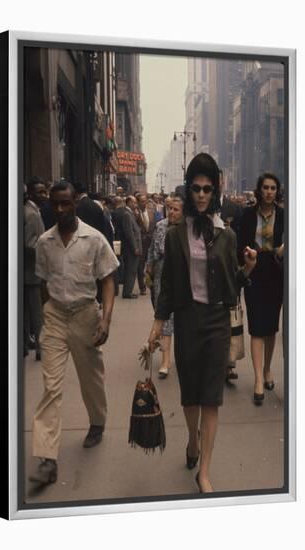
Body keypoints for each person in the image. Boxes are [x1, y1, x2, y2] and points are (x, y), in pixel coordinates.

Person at [147, 153, 257, 493]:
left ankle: (204, 471)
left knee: (211, 397)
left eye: (208, 188)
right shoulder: (177, 233)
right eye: (196, 188)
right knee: (189, 396)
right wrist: (156, 326)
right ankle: (192, 441)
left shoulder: (227, 235)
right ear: (188, 189)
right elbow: (167, 286)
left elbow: (230, 285)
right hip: (188, 320)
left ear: (216, 190)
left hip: (216, 322)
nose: (201, 195)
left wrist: (248, 270)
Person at [29, 182, 119, 485]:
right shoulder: (44, 241)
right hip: (55, 316)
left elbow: (108, 280)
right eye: (54, 204)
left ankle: (97, 422)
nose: (59, 209)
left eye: (65, 204)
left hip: (85, 315)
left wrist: (105, 320)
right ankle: (47, 459)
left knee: (91, 378)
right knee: (51, 387)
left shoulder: (93, 239)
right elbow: (43, 281)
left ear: (74, 205)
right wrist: (47, 315)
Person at [237, 172, 284, 406]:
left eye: (273, 188)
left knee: (271, 327)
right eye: (265, 187)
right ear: (259, 190)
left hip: (275, 273)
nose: (269, 192)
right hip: (254, 270)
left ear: (277, 191)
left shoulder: (284, 216)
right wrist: (246, 256)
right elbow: (237, 242)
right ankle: (257, 379)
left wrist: (282, 249)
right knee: (256, 327)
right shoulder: (247, 214)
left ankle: (267, 370)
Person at [146, 195, 183, 378]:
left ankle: (183, 358)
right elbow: (154, 249)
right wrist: (149, 271)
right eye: (170, 209)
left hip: (183, 279)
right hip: (162, 277)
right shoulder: (161, 226)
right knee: (165, 319)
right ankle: (165, 361)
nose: (172, 212)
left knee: (182, 320)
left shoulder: (187, 229)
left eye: (176, 209)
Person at [218, 169, 244, 383]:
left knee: (230, 320)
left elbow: (242, 241)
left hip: (230, 274)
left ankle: (229, 364)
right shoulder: (200, 209)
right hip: (205, 277)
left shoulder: (234, 208)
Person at [24, 180, 46, 360]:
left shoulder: (32, 211)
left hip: (27, 271)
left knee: (25, 311)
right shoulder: (31, 214)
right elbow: (30, 243)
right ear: (30, 194)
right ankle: (41, 346)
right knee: (36, 311)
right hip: (31, 271)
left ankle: (25, 343)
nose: (44, 195)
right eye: (40, 192)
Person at [121, 196, 142, 299]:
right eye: (133, 202)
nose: (135, 204)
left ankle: (128, 291)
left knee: (132, 270)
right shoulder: (127, 214)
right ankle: (127, 292)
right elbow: (129, 233)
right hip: (131, 249)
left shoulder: (131, 213)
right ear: (128, 202)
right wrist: (135, 248)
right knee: (131, 270)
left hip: (133, 248)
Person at [135, 193, 156, 295]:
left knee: (152, 264)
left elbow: (154, 225)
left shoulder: (152, 212)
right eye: (142, 201)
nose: (144, 203)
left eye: (145, 201)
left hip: (151, 242)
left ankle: (152, 285)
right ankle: (142, 288)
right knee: (140, 266)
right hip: (141, 243)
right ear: (138, 202)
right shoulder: (135, 213)